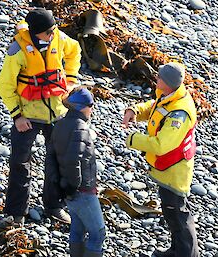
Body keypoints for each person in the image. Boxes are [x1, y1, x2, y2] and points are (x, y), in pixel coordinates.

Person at [0, 8, 82, 224]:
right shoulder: (17, 50)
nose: (53, 34)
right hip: (27, 115)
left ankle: (54, 206)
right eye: (48, 32)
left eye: (54, 29)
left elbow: (75, 50)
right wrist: (17, 116)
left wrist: (71, 79)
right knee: (19, 163)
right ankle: (16, 212)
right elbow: (5, 86)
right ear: (35, 33)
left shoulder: (59, 38)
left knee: (56, 161)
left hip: (57, 112)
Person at [122, 62, 199, 257]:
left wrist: (133, 140)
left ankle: (187, 254)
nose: (156, 78)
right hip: (166, 168)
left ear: (169, 83)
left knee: (178, 214)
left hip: (174, 171)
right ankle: (176, 251)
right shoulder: (170, 96)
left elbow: (161, 145)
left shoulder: (179, 114)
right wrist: (136, 111)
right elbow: (155, 108)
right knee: (171, 212)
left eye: (160, 77)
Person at [46, 87, 105, 257]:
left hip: (68, 189)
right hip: (82, 190)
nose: (92, 109)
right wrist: (73, 186)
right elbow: (73, 160)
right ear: (81, 107)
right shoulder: (81, 128)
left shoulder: (60, 124)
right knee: (98, 233)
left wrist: (60, 185)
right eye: (90, 105)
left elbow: (50, 159)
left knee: (77, 229)